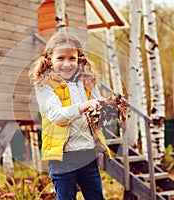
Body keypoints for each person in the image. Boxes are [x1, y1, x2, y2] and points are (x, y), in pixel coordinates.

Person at [29, 29, 112, 200]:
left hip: (87, 152)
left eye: (72, 58)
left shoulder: (86, 81)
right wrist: (82, 106)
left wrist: (108, 107)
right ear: (49, 60)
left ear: (79, 60)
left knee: (96, 197)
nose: (66, 63)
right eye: (60, 58)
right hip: (62, 156)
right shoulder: (45, 85)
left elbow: (96, 107)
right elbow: (57, 117)